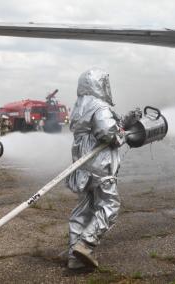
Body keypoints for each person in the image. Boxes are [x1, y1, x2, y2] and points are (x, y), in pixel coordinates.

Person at [65, 68, 137, 270]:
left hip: (83, 166)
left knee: (83, 210)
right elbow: (108, 134)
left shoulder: (80, 106)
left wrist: (124, 121)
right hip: (100, 165)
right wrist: (122, 134)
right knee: (109, 205)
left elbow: (100, 127)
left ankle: (74, 256)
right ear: (99, 85)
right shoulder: (99, 105)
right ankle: (86, 244)